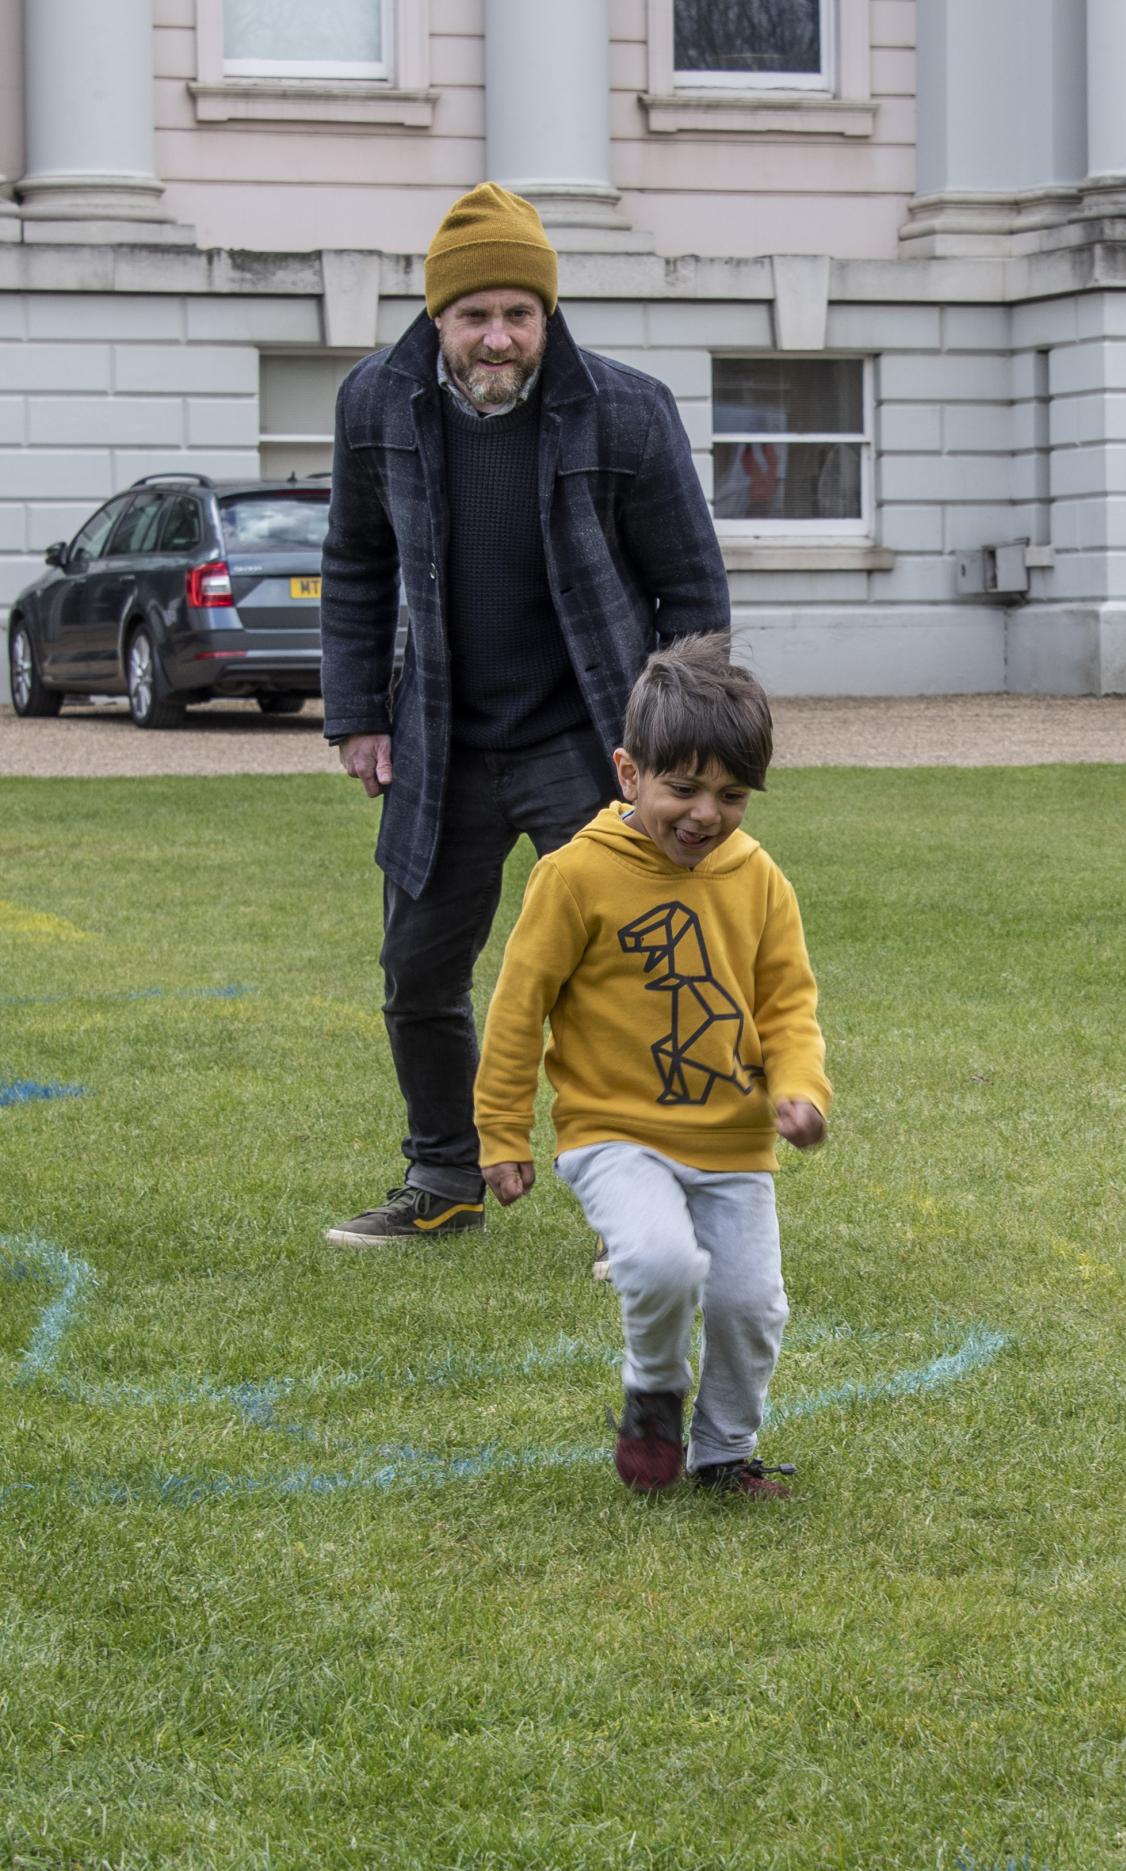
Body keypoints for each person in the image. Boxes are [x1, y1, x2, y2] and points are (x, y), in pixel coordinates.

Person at [320, 183, 730, 1247]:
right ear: (436, 319)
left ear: (547, 313)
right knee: (417, 971)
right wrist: (361, 714)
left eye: (519, 312)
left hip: (592, 737)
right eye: (474, 315)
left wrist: (674, 750)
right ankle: (444, 1177)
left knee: (629, 974)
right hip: (441, 738)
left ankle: (646, 1202)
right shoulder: (374, 403)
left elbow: (692, 593)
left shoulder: (627, 410)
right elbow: (355, 563)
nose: (498, 337)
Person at [475, 634, 831, 1501]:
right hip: (615, 1133)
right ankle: (654, 1394)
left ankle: (723, 1454)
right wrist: (499, 1132)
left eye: (732, 794)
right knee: (662, 1262)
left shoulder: (758, 878)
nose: (707, 814)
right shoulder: (573, 878)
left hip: (734, 1145)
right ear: (629, 772)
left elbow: (787, 1003)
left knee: (753, 1311)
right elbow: (520, 1008)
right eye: (684, 788)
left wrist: (799, 1089)